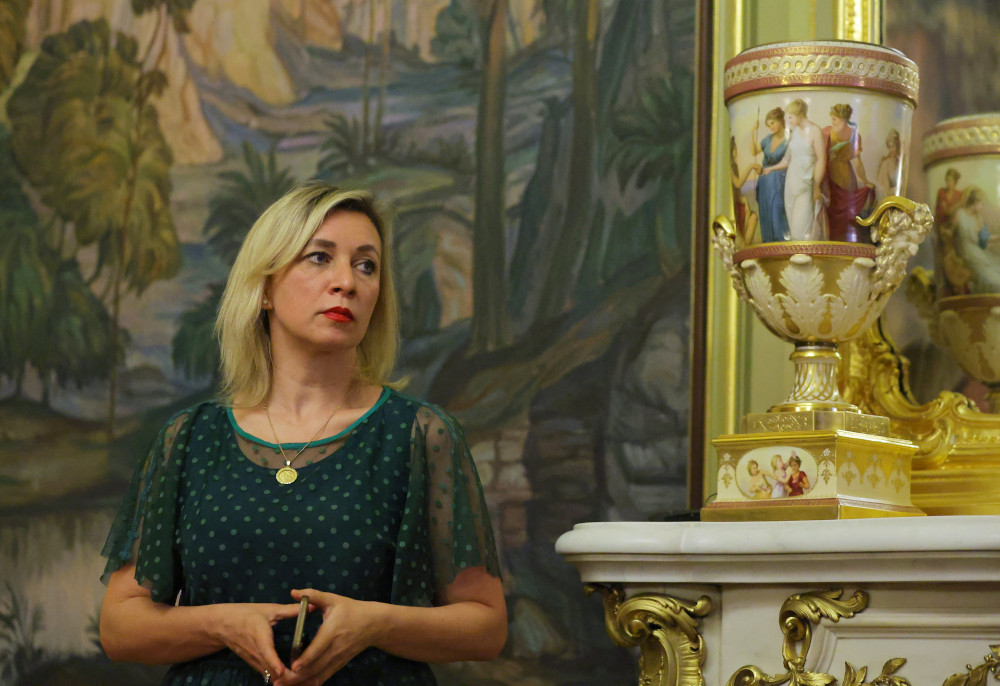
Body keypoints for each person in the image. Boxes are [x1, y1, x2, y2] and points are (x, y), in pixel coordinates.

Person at [99, 183, 507, 686]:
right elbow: (120, 628)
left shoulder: (420, 435)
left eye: (366, 265)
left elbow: (486, 627)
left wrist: (377, 624)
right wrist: (221, 624)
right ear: (265, 287)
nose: (347, 283)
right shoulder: (188, 439)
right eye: (319, 258)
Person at [761, 98, 827, 241]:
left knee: (800, 233)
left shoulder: (815, 131)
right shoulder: (794, 132)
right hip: (790, 186)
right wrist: (770, 169)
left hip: (805, 186)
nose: (788, 120)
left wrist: (816, 186)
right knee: (792, 228)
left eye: (790, 117)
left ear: (799, 114)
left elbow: (822, 159)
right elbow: (786, 160)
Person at [823, 103, 875, 242]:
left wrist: (864, 181)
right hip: (847, 175)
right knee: (844, 209)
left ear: (841, 119)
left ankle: (837, 241)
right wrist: (864, 181)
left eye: (834, 119)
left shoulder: (828, 132)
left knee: (834, 208)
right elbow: (857, 163)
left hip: (833, 174)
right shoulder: (854, 135)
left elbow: (857, 162)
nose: (832, 122)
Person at [751, 107, 791, 243]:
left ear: (780, 120)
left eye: (773, 123)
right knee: (766, 213)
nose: (771, 127)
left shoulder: (790, 138)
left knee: (777, 211)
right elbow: (754, 152)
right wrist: (752, 132)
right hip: (764, 183)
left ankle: (782, 243)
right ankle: (768, 244)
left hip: (780, 181)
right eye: (768, 125)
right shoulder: (767, 139)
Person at [954, 187, 1000, 293]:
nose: (982, 207)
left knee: (997, 268)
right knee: (995, 280)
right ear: (975, 202)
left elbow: (984, 238)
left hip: (977, 252)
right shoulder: (959, 214)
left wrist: (998, 238)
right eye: (981, 204)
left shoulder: (977, 219)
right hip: (967, 253)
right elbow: (950, 233)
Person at [935, 169, 972, 294]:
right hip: (943, 229)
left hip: (955, 231)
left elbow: (961, 213)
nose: (948, 183)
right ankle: (949, 288)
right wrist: (960, 203)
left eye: (950, 180)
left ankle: (961, 286)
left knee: (958, 256)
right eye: (947, 180)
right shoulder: (942, 193)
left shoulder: (959, 194)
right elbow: (947, 212)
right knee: (946, 258)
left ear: (955, 182)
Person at [730, 136, 761, 243]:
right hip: (733, 206)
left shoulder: (734, 165)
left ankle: (747, 247)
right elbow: (738, 184)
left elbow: (738, 193)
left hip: (739, 202)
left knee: (753, 217)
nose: (736, 151)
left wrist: (745, 201)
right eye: (735, 148)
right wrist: (751, 166)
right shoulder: (729, 167)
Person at [874, 128, 902, 203]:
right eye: (889, 147)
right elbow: (884, 190)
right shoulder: (885, 164)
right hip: (889, 202)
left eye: (893, 146)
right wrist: (895, 190)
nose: (892, 149)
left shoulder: (900, 162)